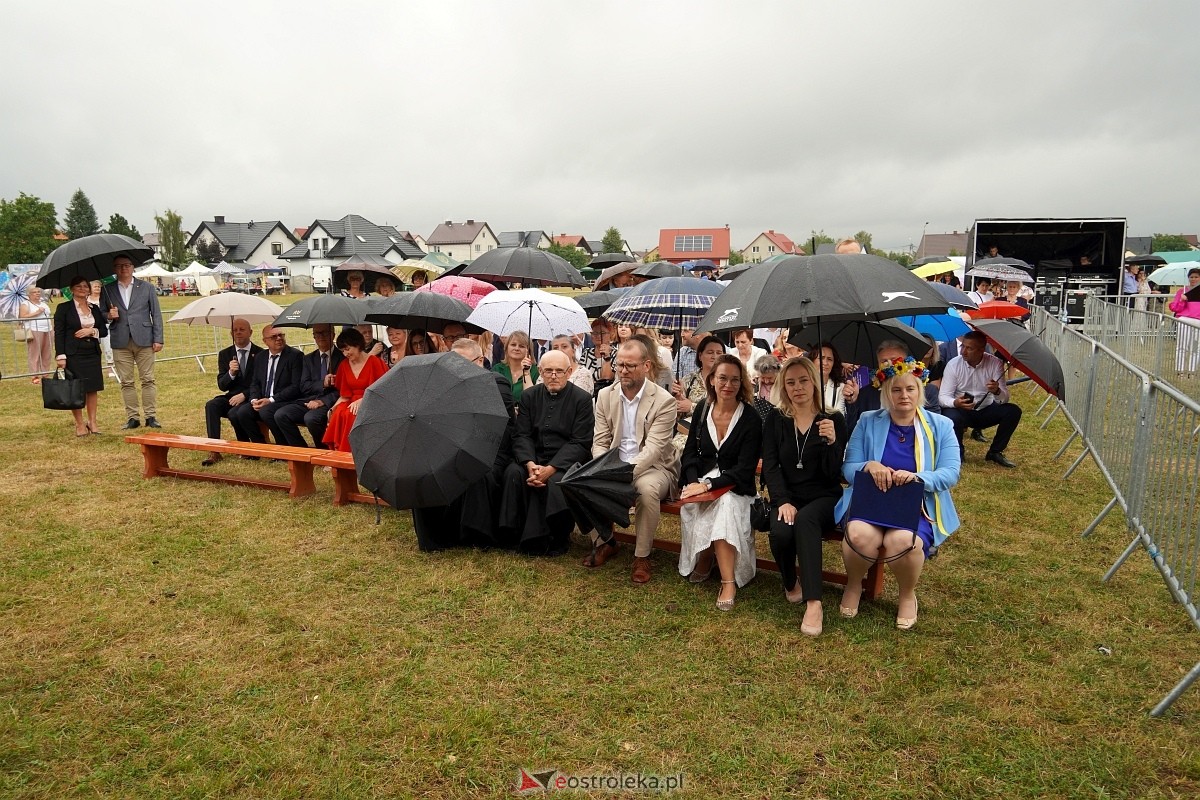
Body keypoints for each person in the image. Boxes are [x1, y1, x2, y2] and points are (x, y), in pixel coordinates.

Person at [836, 356, 960, 630]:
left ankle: (906, 594)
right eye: (896, 389)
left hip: (914, 507)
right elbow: (847, 468)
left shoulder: (941, 426)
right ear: (885, 392)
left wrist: (918, 477)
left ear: (920, 391)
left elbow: (951, 473)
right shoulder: (868, 421)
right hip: (871, 503)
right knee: (859, 536)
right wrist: (869, 465)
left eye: (910, 389)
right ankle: (854, 585)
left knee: (904, 542)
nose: (904, 395)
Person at [762, 356, 847, 636]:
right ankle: (790, 582)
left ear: (814, 381)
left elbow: (833, 473)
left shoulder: (833, 419)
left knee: (806, 520)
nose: (797, 387)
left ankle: (814, 602)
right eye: (790, 382)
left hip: (823, 496)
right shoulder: (776, 419)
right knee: (781, 533)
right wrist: (782, 500)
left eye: (803, 380)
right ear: (783, 387)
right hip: (788, 495)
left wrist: (832, 443)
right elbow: (771, 466)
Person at [585, 338, 681, 583]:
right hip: (614, 463)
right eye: (619, 365)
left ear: (646, 366)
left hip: (655, 467)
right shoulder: (605, 395)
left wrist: (622, 473)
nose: (623, 371)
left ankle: (642, 555)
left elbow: (654, 450)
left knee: (646, 489)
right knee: (585, 481)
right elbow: (600, 441)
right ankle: (605, 542)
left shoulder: (664, 400)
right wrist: (601, 467)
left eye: (630, 366)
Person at [411, 337, 516, 551]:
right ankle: (435, 536)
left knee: (476, 472)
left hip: (491, 449)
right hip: (454, 447)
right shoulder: (446, 386)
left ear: (479, 361)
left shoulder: (497, 383)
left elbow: (497, 429)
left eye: (461, 363)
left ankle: (474, 534)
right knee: (425, 467)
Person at [677, 354, 763, 611]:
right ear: (711, 380)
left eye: (735, 380)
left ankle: (728, 582)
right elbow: (689, 453)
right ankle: (705, 555)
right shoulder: (703, 408)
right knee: (697, 505)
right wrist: (694, 483)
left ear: (742, 383)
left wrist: (708, 487)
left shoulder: (750, 418)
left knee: (724, 506)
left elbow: (744, 470)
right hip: (702, 481)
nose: (728, 384)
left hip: (736, 487)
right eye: (723, 378)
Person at [499, 350, 595, 555]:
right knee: (513, 473)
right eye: (548, 371)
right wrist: (529, 463)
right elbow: (521, 434)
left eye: (559, 371)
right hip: (533, 457)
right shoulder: (529, 396)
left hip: (565, 462)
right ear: (540, 372)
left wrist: (551, 468)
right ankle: (512, 535)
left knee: (554, 481)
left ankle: (553, 538)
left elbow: (580, 442)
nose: (553, 376)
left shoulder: (582, 399)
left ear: (569, 372)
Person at [938, 330, 1022, 468]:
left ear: (981, 350)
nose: (964, 351)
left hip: (986, 409)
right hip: (962, 410)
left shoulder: (994, 363)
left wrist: (997, 391)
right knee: (951, 416)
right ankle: (957, 453)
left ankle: (995, 452)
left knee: (1013, 411)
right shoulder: (954, 364)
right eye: (963, 346)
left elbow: (1004, 399)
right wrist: (955, 402)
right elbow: (943, 397)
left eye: (969, 348)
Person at [101, 254, 164, 429]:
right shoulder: (108, 289)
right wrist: (108, 315)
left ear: (133, 267)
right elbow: (100, 314)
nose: (123, 268)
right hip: (120, 340)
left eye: (127, 265)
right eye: (119, 266)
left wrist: (158, 338)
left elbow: (156, 314)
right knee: (126, 382)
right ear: (114, 269)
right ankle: (133, 418)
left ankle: (151, 416)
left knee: (148, 379)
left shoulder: (147, 288)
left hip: (145, 339)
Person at [201, 318, 262, 465]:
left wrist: (245, 395)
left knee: (234, 413)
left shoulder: (260, 354)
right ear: (231, 334)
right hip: (231, 397)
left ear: (250, 332)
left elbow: (262, 383)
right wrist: (231, 373)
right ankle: (214, 450)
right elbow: (222, 385)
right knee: (212, 405)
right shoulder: (225, 354)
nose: (238, 333)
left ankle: (250, 445)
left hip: (251, 397)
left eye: (242, 329)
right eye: (235, 330)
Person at [272, 323, 343, 449]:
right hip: (308, 400)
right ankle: (301, 451)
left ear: (333, 334)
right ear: (313, 336)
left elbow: (343, 390)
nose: (321, 336)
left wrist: (322, 401)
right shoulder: (308, 359)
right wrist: (323, 383)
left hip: (331, 402)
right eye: (317, 334)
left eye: (325, 333)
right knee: (281, 414)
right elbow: (304, 386)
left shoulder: (343, 358)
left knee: (311, 418)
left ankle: (324, 451)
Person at [230, 325, 304, 446]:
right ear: (265, 341)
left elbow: (296, 386)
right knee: (242, 412)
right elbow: (255, 383)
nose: (279, 338)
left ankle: (283, 446)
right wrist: (254, 399)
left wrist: (270, 400)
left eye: (281, 335)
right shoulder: (261, 357)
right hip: (263, 399)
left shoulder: (295, 356)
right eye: (274, 336)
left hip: (285, 399)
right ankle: (261, 445)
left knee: (266, 411)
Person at [53, 275, 107, 436]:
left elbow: (103, 330)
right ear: (71, 290)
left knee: (92, 388)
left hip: (92, 352)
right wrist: (60, 355)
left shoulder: (94, 308)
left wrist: (91, 330)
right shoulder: (64, 308)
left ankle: (92, 422)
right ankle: (79, 424)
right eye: (78, 286)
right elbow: (59, 333)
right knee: (75, 389)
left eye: (85, 286)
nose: (82, 289)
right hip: (73, 354)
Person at [322, 328, 388, 452]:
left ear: (357, 345)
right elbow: (344, 395)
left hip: (372, 401)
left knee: (350, 414)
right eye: (342, 351)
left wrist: (363, 400)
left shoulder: (375, 362)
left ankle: (349, 453)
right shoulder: (344, 365)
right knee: (337, 413)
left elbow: (383, 390)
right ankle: (336, 453)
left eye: (348, 349)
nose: (345, 353)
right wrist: (332, 409)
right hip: (351, 401)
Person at [843, 340, 909, 432]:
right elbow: (852, 430)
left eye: (894, 360)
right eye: (884, 361)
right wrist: (852, 401)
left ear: (906, 362)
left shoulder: (925, 391)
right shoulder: (866, 394)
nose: (889, 364)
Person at [1168, 268, 1200, 378]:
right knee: (1182, 346)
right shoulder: (1182, 291)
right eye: (1191, 277)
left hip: (1198, 322)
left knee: (1195, 347)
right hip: (1184, 320)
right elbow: (1174, 307)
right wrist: (1182, 300)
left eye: (1196, 277)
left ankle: (1191, 371)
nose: (1194, 279)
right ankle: (1180, 371)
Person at [19, 285, 52, 384]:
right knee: (35, 353)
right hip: (34, 329)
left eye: (38, 292)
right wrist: (37, 313)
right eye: (34, 292)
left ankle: (45, 374)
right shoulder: (25, 304)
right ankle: (35, 375)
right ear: (29, 294)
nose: (37, 293)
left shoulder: (44, 303)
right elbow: (22, 317)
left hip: (48, 329)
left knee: (47, 353)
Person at [493, 330, 538, 403]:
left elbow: (533, 398)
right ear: (506, 348)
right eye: (513, 345)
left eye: (521, 346)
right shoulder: (497, 369)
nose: (517, 348)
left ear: (528, 351)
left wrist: (526, 373)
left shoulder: (535, 372)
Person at [579, 319, 616, 396]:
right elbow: (580, 375)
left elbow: (606, 379)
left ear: (611, 334)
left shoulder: (616, 354)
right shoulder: (586, 353)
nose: (598, 336)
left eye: (602, 333)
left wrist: (607, 357)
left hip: (608, 395)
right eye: (594, 333)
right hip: (587, 395)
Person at [813, 341, 849, 416]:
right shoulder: (803, 386)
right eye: (821, 358)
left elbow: (840, 418)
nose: (825, 363)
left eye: (829, 359)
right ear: (812, 361)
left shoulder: (840, 387)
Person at [89, 280, 115, 378]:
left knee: (108, 347)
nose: (97, 288)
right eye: (95, 286)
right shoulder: (86, 299)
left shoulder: (105, 299)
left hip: (105, 326)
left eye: (99, 287)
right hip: (92, 327)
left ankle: (110, 368)